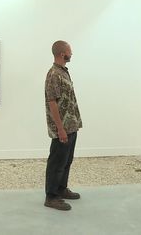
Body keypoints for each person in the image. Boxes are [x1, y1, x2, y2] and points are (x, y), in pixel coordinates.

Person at [44, 40, 83, 211]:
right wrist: (60, 128)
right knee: (57, 162)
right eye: (70, 51)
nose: (71, 53)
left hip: (71, 125)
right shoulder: (54, 74)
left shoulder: (63, 72)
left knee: (66, 161)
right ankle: (51, 197)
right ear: (62, 53)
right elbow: (52, 102)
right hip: (62, 128)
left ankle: (61, 189)